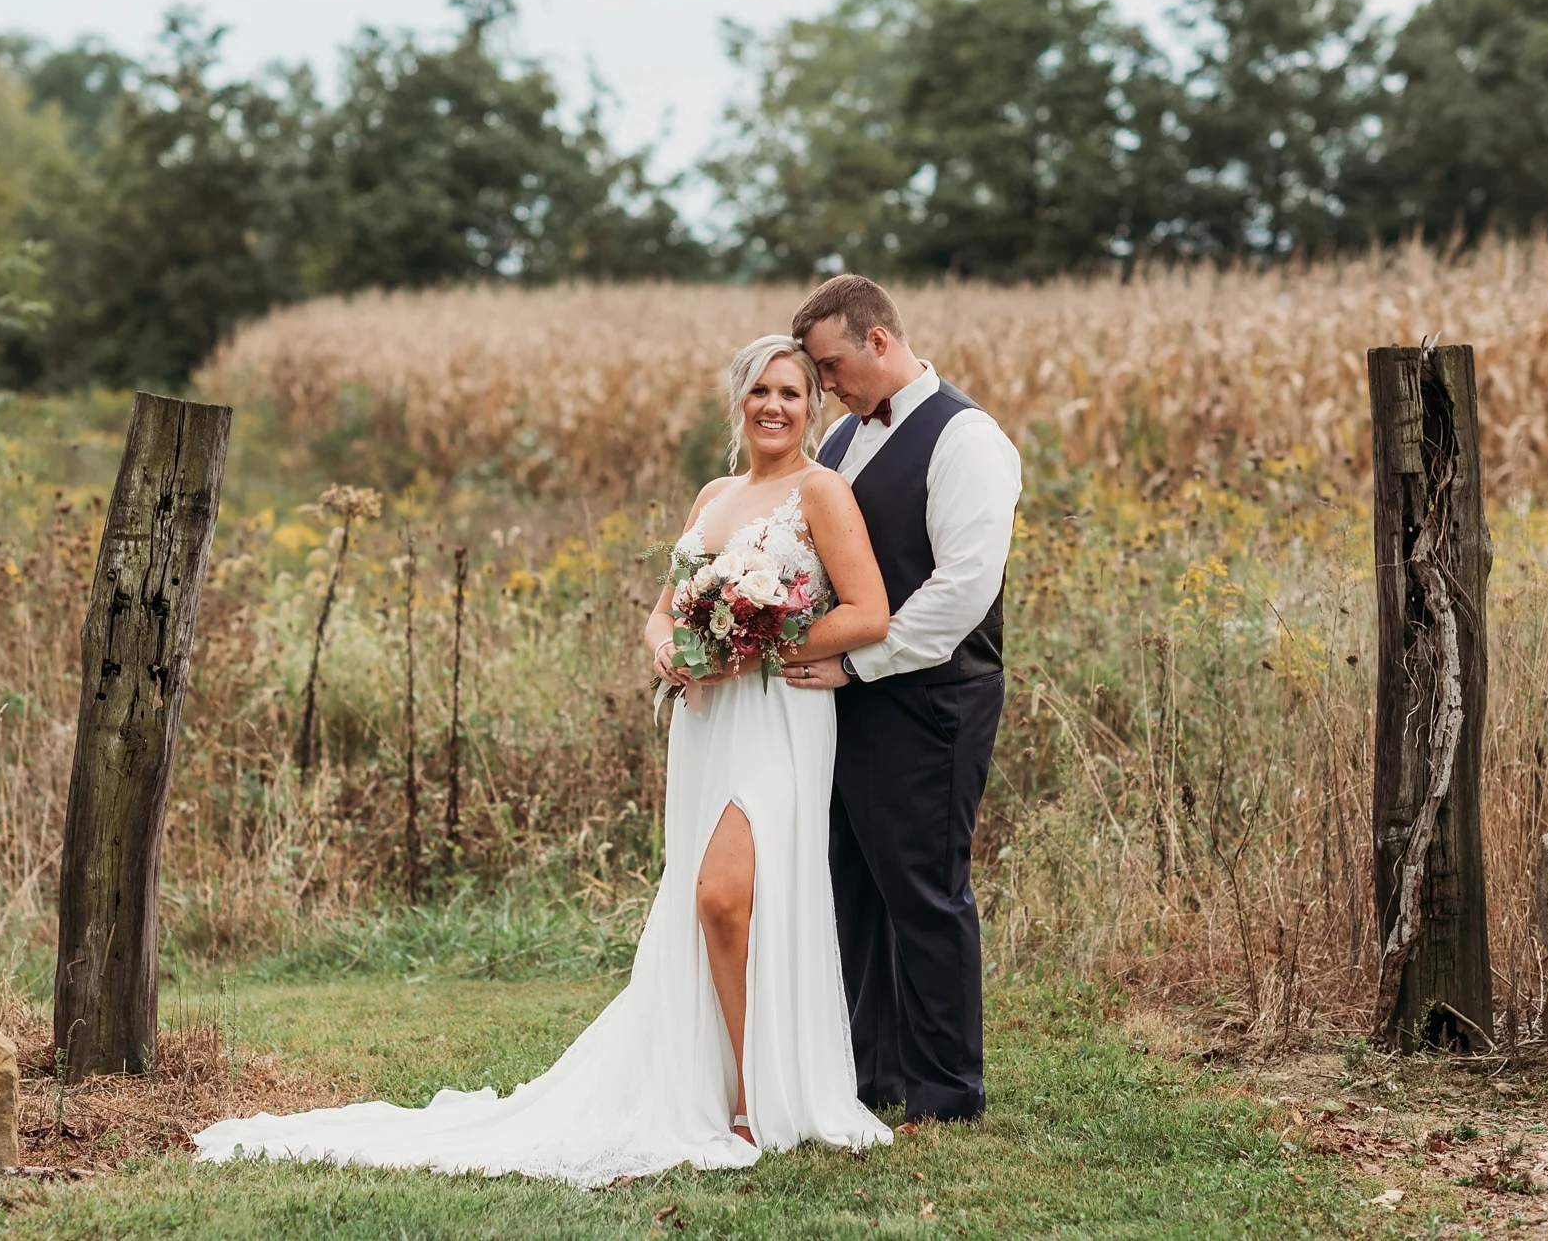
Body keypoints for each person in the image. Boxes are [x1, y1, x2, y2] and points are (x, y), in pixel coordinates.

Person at [193, 334, 895, 1186]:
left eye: (790, 391)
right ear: (738, 403)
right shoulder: (716, 494)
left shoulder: (820, 491)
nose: (774, 407)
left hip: (781, 713)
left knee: (726, 895)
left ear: (810, 405)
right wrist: (671, 650)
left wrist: (758, 643)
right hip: (708, 720)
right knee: (708, 901)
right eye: (759, 392)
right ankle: (723, 1085)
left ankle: (759, 1096)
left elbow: (868, 614)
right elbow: (663, 612)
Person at [783, 274, 1021, 1127]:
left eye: (831, 366)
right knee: (856, 884)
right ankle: (869, 1075)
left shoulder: (968, 438)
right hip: (852, 699)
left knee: (924, 888)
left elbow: (961, 590)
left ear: (879, 341)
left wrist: (857, 667)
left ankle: (949, 1091)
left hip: (935, 699)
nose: (825, 388)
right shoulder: (845, 437)